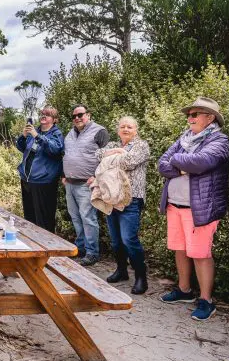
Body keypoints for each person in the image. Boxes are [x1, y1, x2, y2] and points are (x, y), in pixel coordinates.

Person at [158, 97, 229, 321]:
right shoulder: (185, 138)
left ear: (210, 118)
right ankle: (184, 290)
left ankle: (206, 300)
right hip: (175, 205)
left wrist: (179, 161)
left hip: (200, 208)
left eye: (194, 114)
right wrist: (183, 167)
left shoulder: (220, 140)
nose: (190, 118)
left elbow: (202, 162)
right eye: (189, 115)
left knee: (200, 254)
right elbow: (162, 163)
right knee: (180, 249)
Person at [96, 116, 150, 294]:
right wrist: (118, 152)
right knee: (116, 240)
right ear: (118, 129)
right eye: (122, 126)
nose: (125, 129)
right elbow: (97, 155)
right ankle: (121, 271)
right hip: (112, 197)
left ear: (136, 129)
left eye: (129, 127)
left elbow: (129, 162)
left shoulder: (142, 145)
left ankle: (141, 277)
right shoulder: (112, 144)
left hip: (131, 199)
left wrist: (111, 156)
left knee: (129, 239)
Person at [62, 104, 109, 266]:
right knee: (75, 217)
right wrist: (65, 176)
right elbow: (67, 155)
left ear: (88, 115)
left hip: (86, 184)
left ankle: (92, 252)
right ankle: (80, 248)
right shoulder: (70, 133)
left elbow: (108, 158)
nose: (77, 118)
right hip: (70, 183)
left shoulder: (99, 131)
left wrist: (96, 177)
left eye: (80, 115)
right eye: (74, 116)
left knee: (88, 218)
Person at [16, 106, 64, 232]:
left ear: (54, 120)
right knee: (30, 218)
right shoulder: (34, 131)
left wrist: (37, 136)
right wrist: (24, 136)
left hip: (43, 182)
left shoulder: (56, 134)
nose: (43, 116)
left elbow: (55, 150)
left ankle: (48, 249)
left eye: (47, 114)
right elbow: (22, 148)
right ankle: (33, 247)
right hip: (27, 180)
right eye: (42, 113)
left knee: (44, 221)